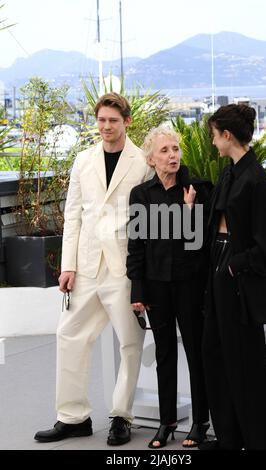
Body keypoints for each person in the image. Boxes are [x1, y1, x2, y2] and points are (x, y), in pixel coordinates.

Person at [34, 92, 152, 446]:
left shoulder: (142, 162)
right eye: (101, 120)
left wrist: (143, 273)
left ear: (126, 122)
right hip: (85, 267)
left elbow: (148, 219)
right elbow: (73, 215)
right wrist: (67, 265)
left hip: (124, 267)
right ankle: (72, 417)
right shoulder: (83, 160)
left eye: (113, 120)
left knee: (130, 344)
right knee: (69, 336)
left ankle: (121, 417)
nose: (106, 126)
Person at [200, 104, 266, 450]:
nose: (213, 142)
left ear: (227, 135)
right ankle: (229, 437)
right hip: (219, 271)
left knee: (246, 366)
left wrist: (234, 266)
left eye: (214, 135)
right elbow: (217, 216)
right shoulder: (229, 173)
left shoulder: (256, 179)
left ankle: (260, 442)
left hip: (237, 279)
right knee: (216, 357)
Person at [126, 126, 213, 449]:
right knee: (164, 355)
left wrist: (189, 211)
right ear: (151, 159)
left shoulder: (197, 189)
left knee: (195, 353)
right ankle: (167, 422)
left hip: (190, 285)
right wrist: (138, 290)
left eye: (175, 149)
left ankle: (201, 422)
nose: (172, 155)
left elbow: (200, 244)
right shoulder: (141, 194)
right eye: (164, 151)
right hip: (156, 286)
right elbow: (136, 244)